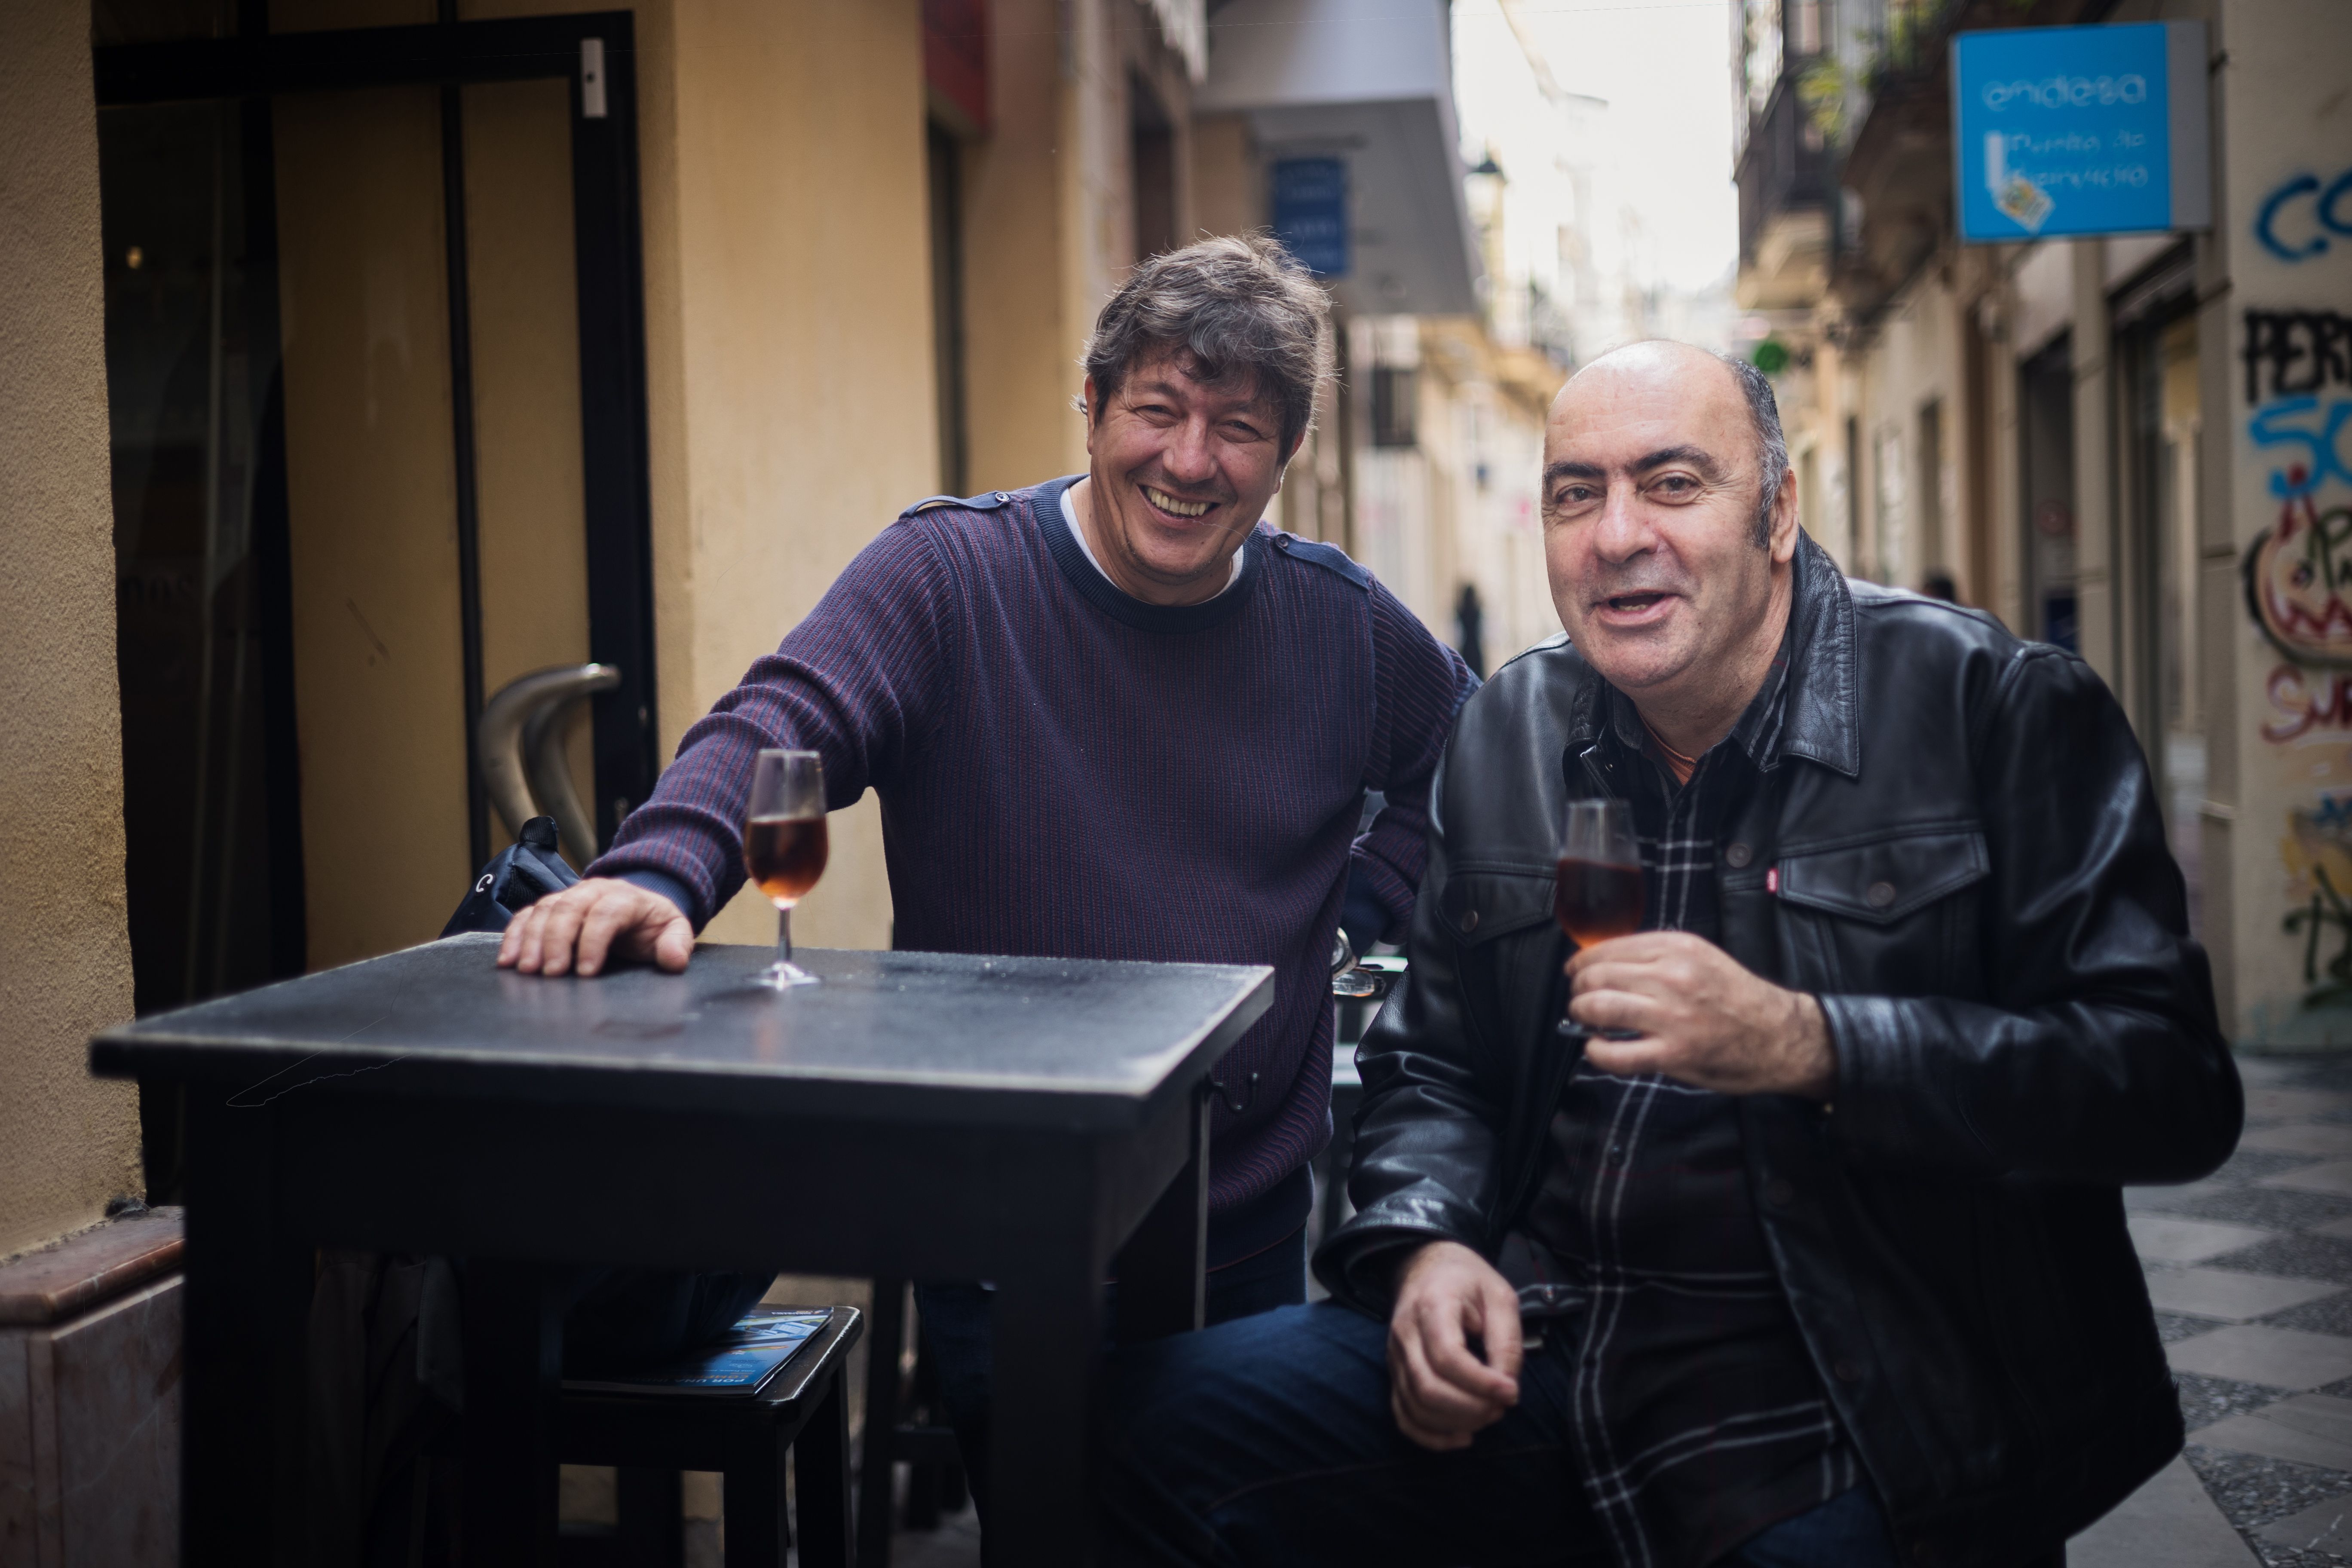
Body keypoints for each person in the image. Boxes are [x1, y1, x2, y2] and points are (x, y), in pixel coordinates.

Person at [1096, 340, 2239, 1568]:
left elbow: (2168, 1086)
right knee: (1121, 1430)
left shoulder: (1994, 707)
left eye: (1675, 483)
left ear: (1780, 512)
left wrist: (1817, 1045)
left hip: (1863, 1388)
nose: (1616, 534)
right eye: (1576, 494)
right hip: (1553, 1341)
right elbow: (1435, 1069)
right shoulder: (1511, 730)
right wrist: (1429, 1245)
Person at [496, 233, 1477, 1511]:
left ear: (1286, 453)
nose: (1190, 462)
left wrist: (1358, 901)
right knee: (1063, 1525)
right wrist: (661, 873)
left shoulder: (1342, 626)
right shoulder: (953, 576)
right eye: (1158, 410)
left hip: (1239, 1220)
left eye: (1238, 428)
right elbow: (786, 722)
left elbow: (1467, 764)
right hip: (1005, 1221)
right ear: (1090, 403)